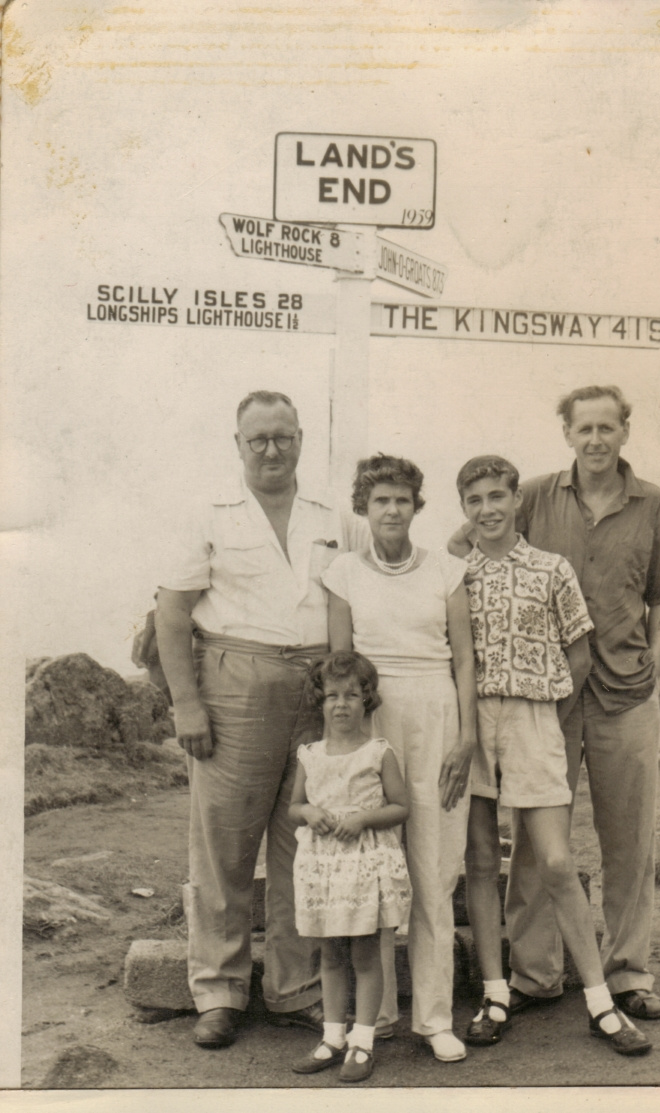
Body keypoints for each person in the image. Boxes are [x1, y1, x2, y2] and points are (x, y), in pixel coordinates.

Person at [450, 385, 660, 1022]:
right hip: (543, 703)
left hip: (624, 695)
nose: (595, 440)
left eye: (606, 428)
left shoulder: (654, 504)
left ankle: (629, 973)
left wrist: (656, 669)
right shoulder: (529, 493)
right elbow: (463, 543)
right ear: (566, 433)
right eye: (583, 428)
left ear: (623, 433)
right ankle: (535, 975)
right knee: (535, 842)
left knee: (628, 840)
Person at [154, 389, 368, 1049]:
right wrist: (187, 702)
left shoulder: (335, 513)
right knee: (224, 843)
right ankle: (218, 990)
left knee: (301, 839)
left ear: (301, 437)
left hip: (317, 682)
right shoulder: (210, 513)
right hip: (234, 685)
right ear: (238, 444)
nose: (272, 449)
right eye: (258, 440)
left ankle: (293, 987)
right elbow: (171, 611)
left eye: (283, 436)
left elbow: (354, 598)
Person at [456, 455, 651, 1056]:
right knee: (483, 862)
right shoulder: (454, 575)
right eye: (475, 500)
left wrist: (552, 721)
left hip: (536, 720)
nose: (488, 509)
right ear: (463, 509)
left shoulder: (551, 568)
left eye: (497, 496)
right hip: (474, 722)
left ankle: (599, 1003)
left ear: (518, 499)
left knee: (557, 863)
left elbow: (580, 654)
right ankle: (495, 993)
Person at [321, 454, 477, 1063]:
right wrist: (351, 748)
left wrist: (466, 737)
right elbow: (341, 667)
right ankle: (376, 1015)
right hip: (373, 721)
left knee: (435, 870)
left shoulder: (446, 568)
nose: (392, 510)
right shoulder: (342, 572)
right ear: (364, 507)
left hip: (438, 717)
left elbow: (464, 659)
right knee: (373, 868)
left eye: (402, 500)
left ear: (417, 506)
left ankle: (435, 1017)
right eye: (381, 500)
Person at [288, 651, 411, 1083]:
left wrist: (361, 819)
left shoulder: (377, 753)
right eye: (332, 696)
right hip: (324, 867)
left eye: (352, 695)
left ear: (368, 701)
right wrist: (309, 814)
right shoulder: (311, 755)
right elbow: (294, 805)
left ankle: (363, 1041)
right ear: (320, 702)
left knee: (364, 953)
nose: (341, 705)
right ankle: (332, 1037)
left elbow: (400, 807)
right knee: (331, 953)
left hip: (364, 864)